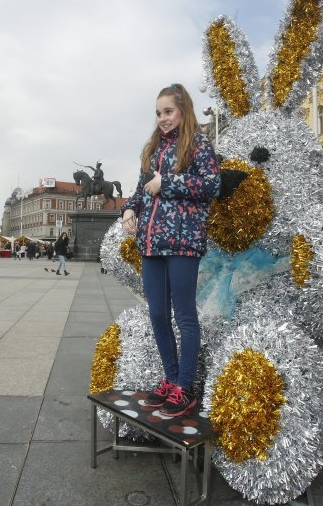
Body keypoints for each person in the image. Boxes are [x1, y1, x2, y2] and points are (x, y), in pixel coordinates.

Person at [121, 83, 221, 417]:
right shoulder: (152, 148)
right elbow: (140, 189)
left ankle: (185, 388)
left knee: (185, 316)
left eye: (169, 111)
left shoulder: (197, 144)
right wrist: (129, 210)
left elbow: (211, 185)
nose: (163, 118)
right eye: (159, 113)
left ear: (183, 111)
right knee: (158, 315)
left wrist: (169, 182)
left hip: (182, 242)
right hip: (151, 244)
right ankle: (170, 379)